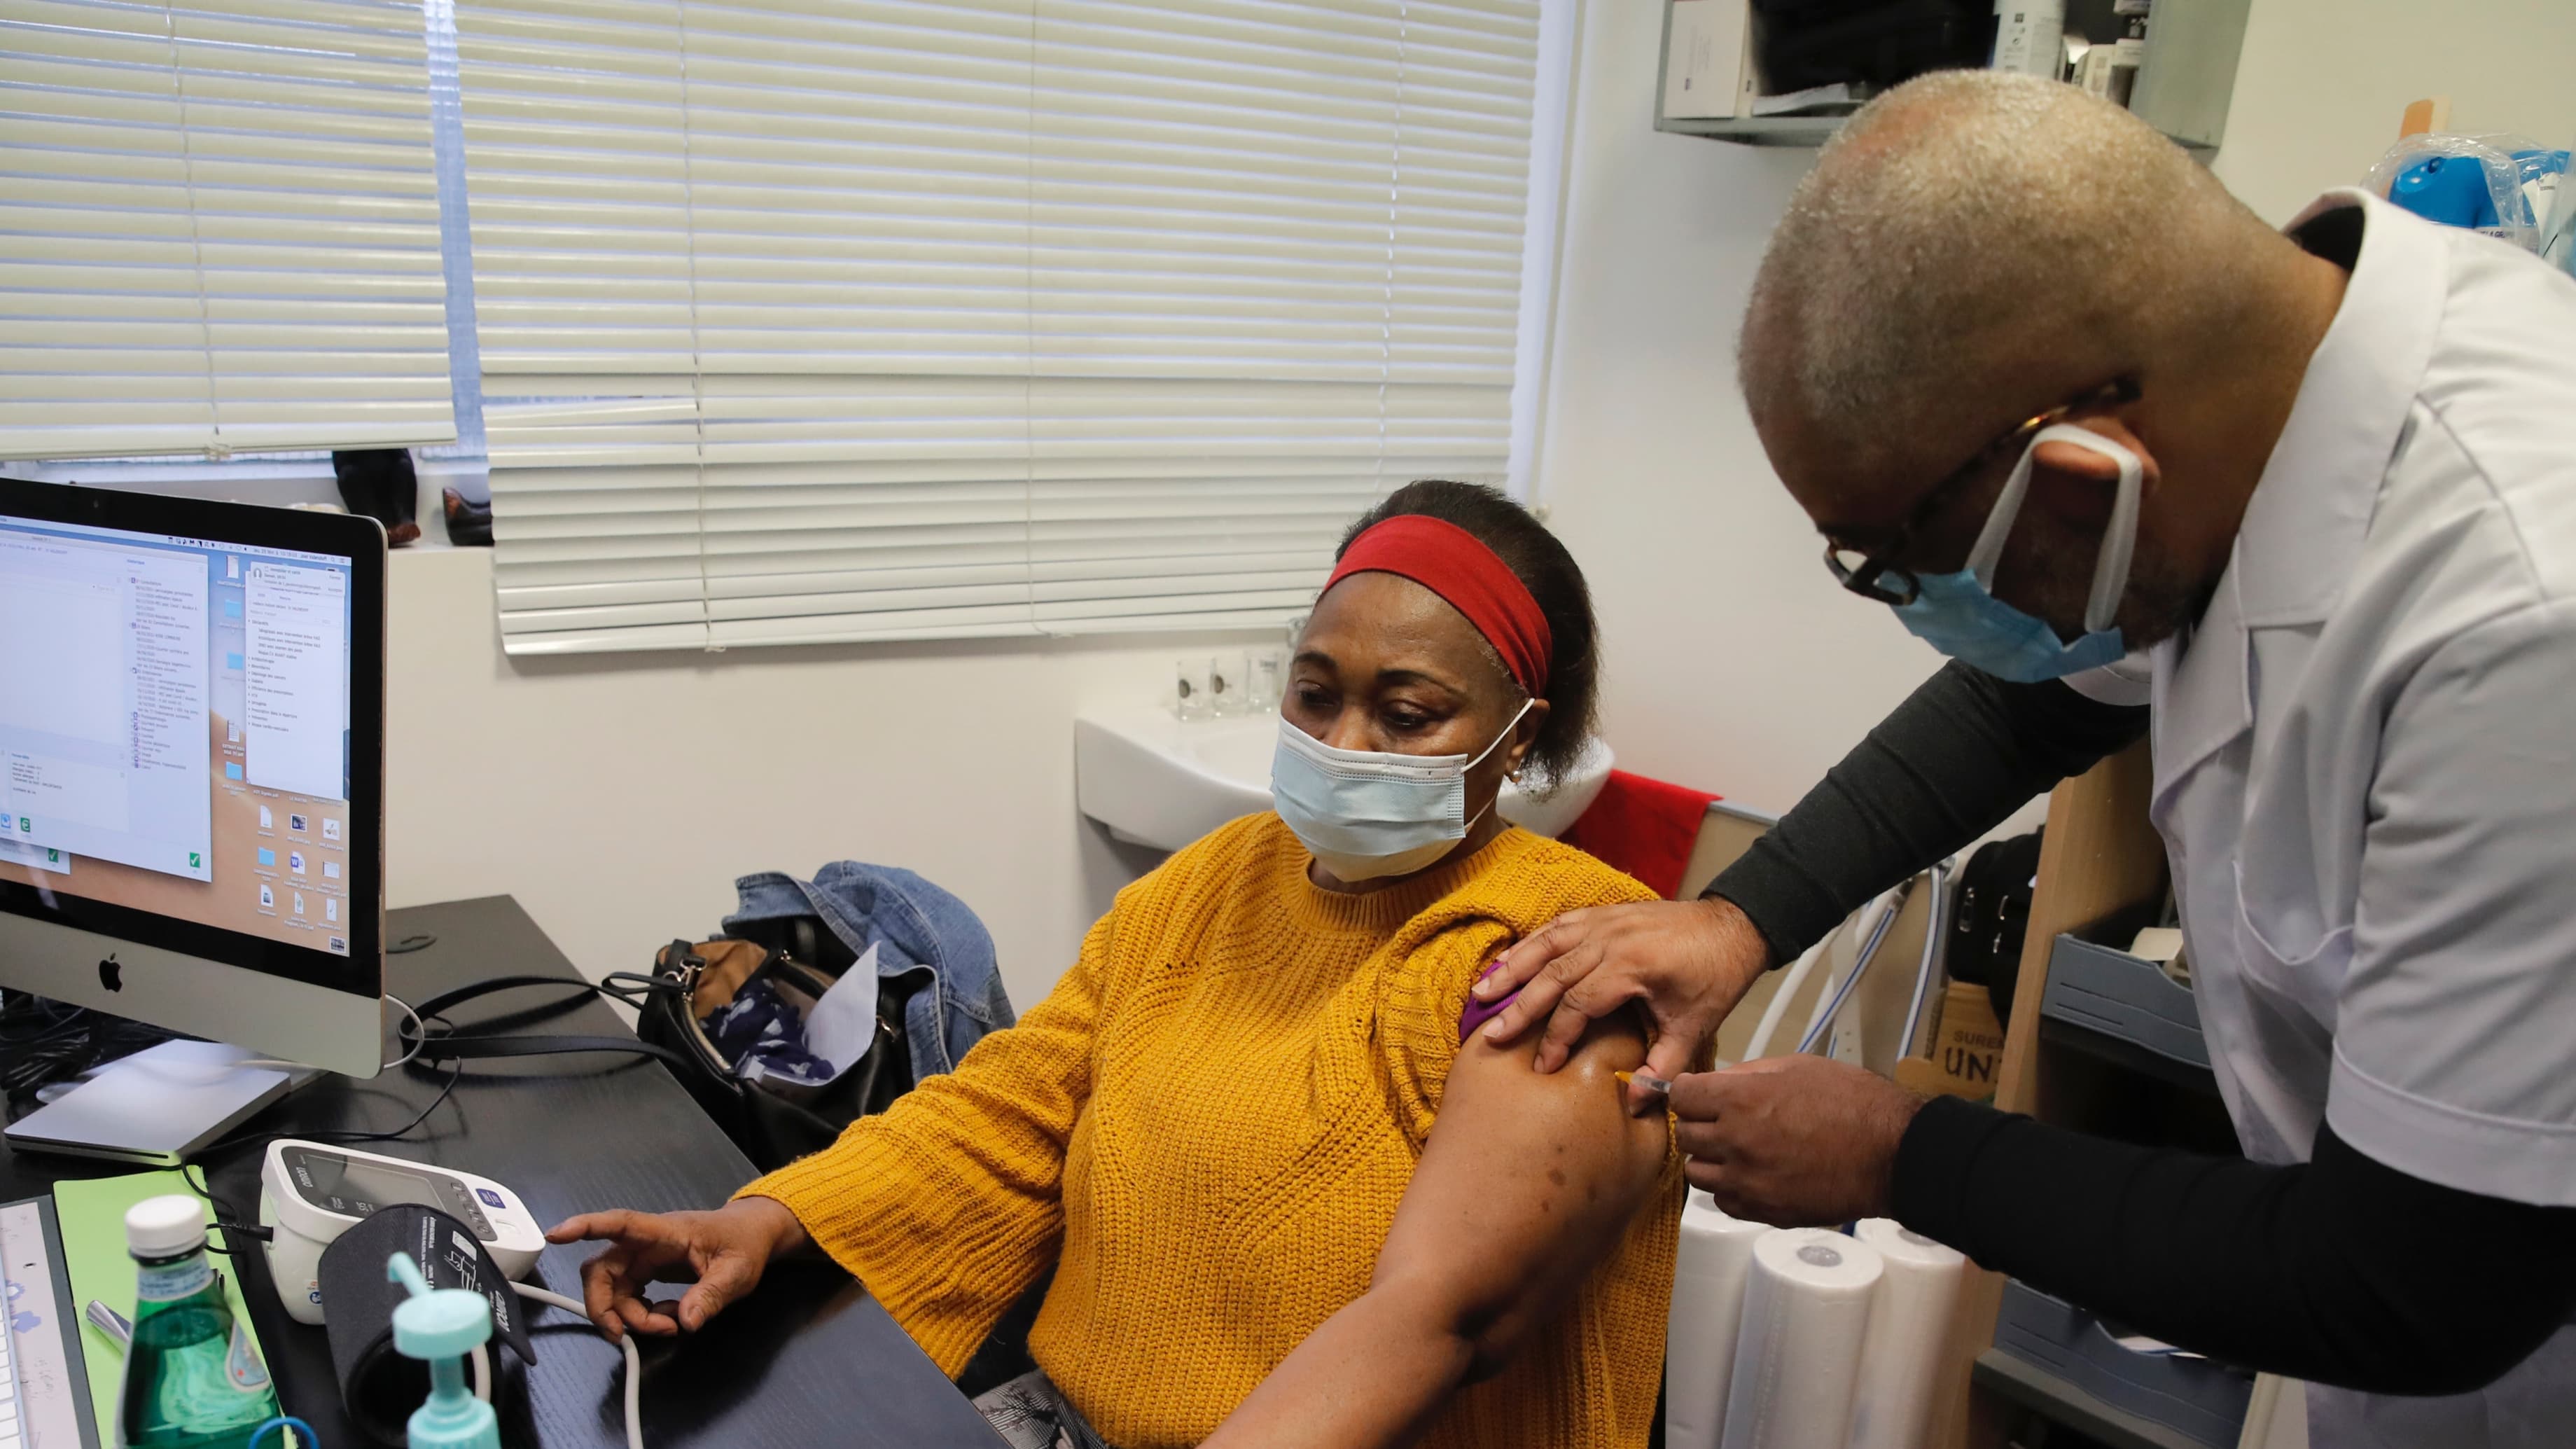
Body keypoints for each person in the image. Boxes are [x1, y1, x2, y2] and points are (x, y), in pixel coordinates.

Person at [1473, 71, 2576, 1446]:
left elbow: (2418, 1278)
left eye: (1912, 568)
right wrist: (1736, 915)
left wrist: (1899, 1153)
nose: (1927, 607)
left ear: (2084, 477)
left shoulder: (2523, 617)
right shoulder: (2252, 400)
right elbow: (2034, 699)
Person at [550, 480, 1685, 1449]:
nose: (1343, 746)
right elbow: (1011, 1110)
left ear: (1518, 733)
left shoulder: (1563, 960)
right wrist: (766, 1219)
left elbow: (1448, 1318)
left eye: (1406, 714)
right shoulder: (1215, 884)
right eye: (1315, 693)